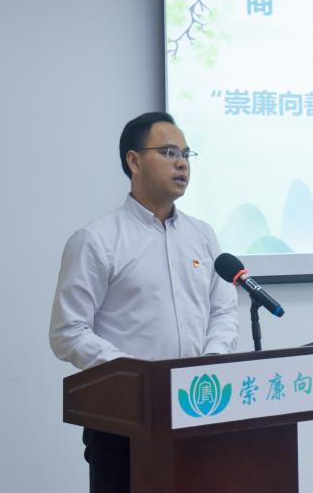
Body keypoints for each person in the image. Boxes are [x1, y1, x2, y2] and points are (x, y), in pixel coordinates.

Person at [49, 112, 239, 493]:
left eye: (186, 153)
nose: (182, 163)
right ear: (134, 161)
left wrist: (212, 364)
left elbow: (223, 310)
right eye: (168, 152)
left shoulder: (203, 236)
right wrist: (136, 377)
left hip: (198, 412)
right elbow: (68, 331)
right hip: (124, 423)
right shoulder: (97, 240)